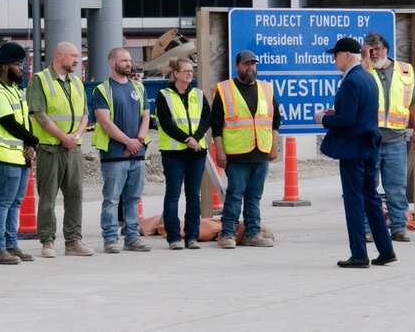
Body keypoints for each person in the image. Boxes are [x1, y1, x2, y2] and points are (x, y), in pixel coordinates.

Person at [318, 37, 396, 268]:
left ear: (345, 55)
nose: (334, 60)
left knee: (354, 201)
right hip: (370, 146)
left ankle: (359, 254)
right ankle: (386, 249)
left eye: (335, 56)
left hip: (354, 149)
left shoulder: (351, 80)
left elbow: (348, 120)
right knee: (371, 198)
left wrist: (324, 118)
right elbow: (359, 113)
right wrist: (337, 113)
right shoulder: (368, 77)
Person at [212, 50, 282, 248]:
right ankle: (227, 234)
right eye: (246, 64)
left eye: (253, 64)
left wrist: (273, 146)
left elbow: (275, 120)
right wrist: (220, 150)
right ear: (237, 66)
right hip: (236, 155)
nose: (250, 67)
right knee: (235, 195)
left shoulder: (266, 89)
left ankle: (252, 233)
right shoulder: (225, 90)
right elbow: (216, 124)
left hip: (260, 152)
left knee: (254, 197)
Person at [28, 41, 91, 258]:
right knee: (48, 198)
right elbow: (40, 114)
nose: (76, 60)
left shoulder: (76, 82)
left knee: (75, 196)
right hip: (50, 149)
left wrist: (77, 136)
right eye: (73, 56)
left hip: (73, 149)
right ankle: (47, 241)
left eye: (77, 56)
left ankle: (74, 241)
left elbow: (85, 114)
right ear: (59, 55)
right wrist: (63, 137)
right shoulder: (40, 80)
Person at [361, 32, 415, 243]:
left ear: (386, 49)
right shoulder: (363, 69)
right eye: (369, 49)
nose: (373, 53)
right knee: (368, 187)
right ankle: (367, 228)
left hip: (396, 139)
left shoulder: (405, 71)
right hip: (370, 138)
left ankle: (398, 228)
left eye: (377, 49)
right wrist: (363, 59)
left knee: (396, 188)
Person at [0, 44, 40, 265]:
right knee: (5, 201)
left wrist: (30, 145)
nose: (22, 68)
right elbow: (9, 123)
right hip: (3, 155)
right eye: (18, 64)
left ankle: (10, 243)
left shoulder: (16, 91)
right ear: (5, 66)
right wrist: (33, 140)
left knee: (15, 202)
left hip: (19, 156)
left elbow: (26, 122)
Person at [92, 47, 152, 254]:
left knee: (133, 198)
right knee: (112, 199)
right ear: (112, 63)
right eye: (124, 60)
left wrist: (139, 140)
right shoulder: (102, 90)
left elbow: (146, 116)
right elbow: (105, 122)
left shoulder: (139, 88)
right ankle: (110, 238)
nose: (129, 63)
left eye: (129, 60)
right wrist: (128, 142)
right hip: (114, 154)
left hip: (137, 153)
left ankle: (132, 237)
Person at [156, 56, 211, 250]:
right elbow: (166, 123)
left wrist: (195, 137)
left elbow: (206, 117)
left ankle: (191, 236)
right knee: (172, 194)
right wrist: (188, 140)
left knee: (193, 195)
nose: (190, 73)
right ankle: (173, 237)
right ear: (176, 74)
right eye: (186, 70)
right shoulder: (164, 95)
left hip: (196, 152)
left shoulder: (197, 93)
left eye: (192, 70)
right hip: (174, 153)